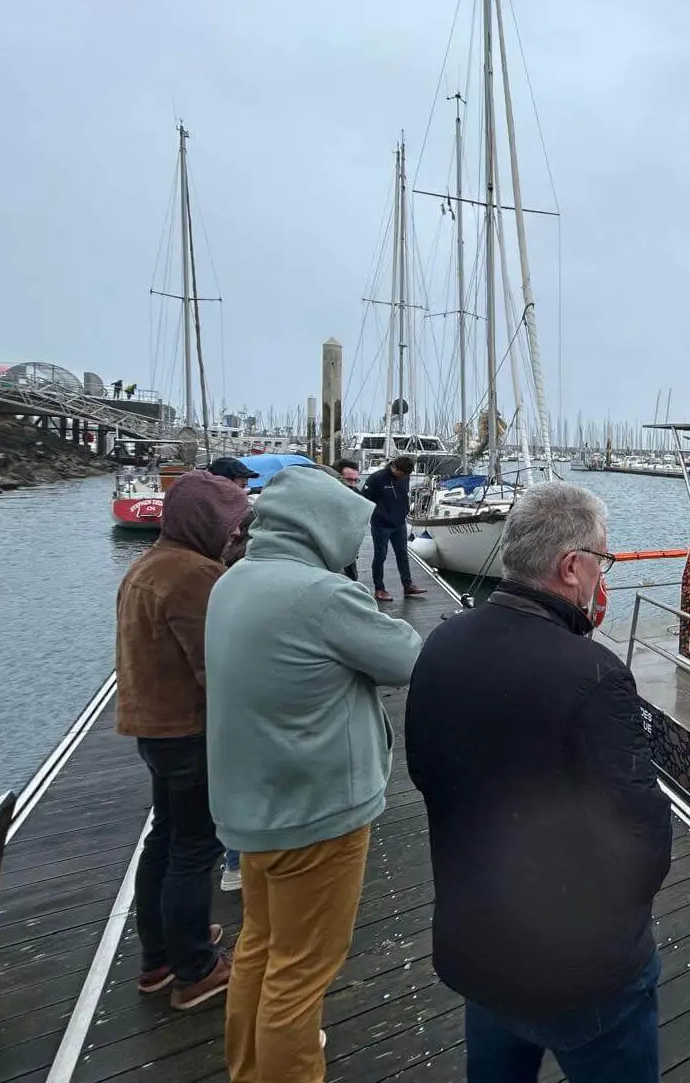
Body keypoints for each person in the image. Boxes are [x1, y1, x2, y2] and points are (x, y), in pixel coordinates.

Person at [406, 481, 672, 1083]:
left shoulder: (443, 641)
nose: (602, 575)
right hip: (581, 974)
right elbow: (641, 835)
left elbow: (425, 771)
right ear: (572, 566)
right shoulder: (595, 674)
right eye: (602, 560)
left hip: (478, 948)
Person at [205, 464, 424, 1083]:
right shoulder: (323, 595)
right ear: (323, 527)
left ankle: (249, 1070)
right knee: (301, 973)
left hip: (253, 808)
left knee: (259, 947)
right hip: (317, 813)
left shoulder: (233, 580)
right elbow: (407, 658)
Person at [115, 469, 249, 1010]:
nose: (234, 534)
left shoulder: (149, 563)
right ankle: (195, 967)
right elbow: (214, 665)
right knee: (196, 848)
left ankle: (160, 957)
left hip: (153, 726)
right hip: (190, 730)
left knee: (166, 840)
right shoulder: (196, 574)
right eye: (230, 524)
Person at [362, 456, 426, 602]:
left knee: (402, 554)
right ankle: (379, 588)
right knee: (380, 556)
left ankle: (408, 585)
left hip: (399, 523)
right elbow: (364, 499)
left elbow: (404, 495)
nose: (403, 477)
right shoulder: (376, 478)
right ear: (394, 467)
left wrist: (405, 511)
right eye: (402, 474)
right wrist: (380, 514)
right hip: (381, 525)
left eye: (406, 475)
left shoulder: (404, 477)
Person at [332, 459, 362, 582]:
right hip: (330, 543)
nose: (353, 484)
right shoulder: (327, 494)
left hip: (349, 543)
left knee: (352, 577)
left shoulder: (356, 494)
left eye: (356, 480)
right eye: (349, 480)